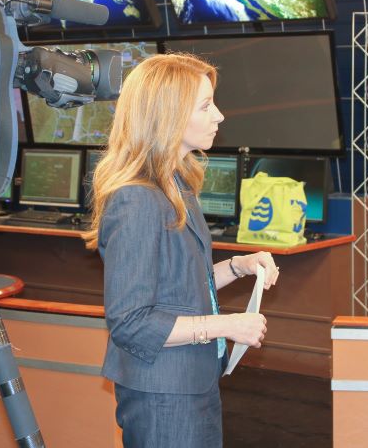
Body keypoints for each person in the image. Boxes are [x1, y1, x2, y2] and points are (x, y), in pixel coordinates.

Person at [82, 53, 280, 448]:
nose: (219, 116)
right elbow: (132, 322)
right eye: (206, 106)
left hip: (192, 380)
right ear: (167, 116)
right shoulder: (136, 199)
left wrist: (239, 267)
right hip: (163, 394)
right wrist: (226, 325)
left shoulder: (176, 187)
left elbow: (185, 286)